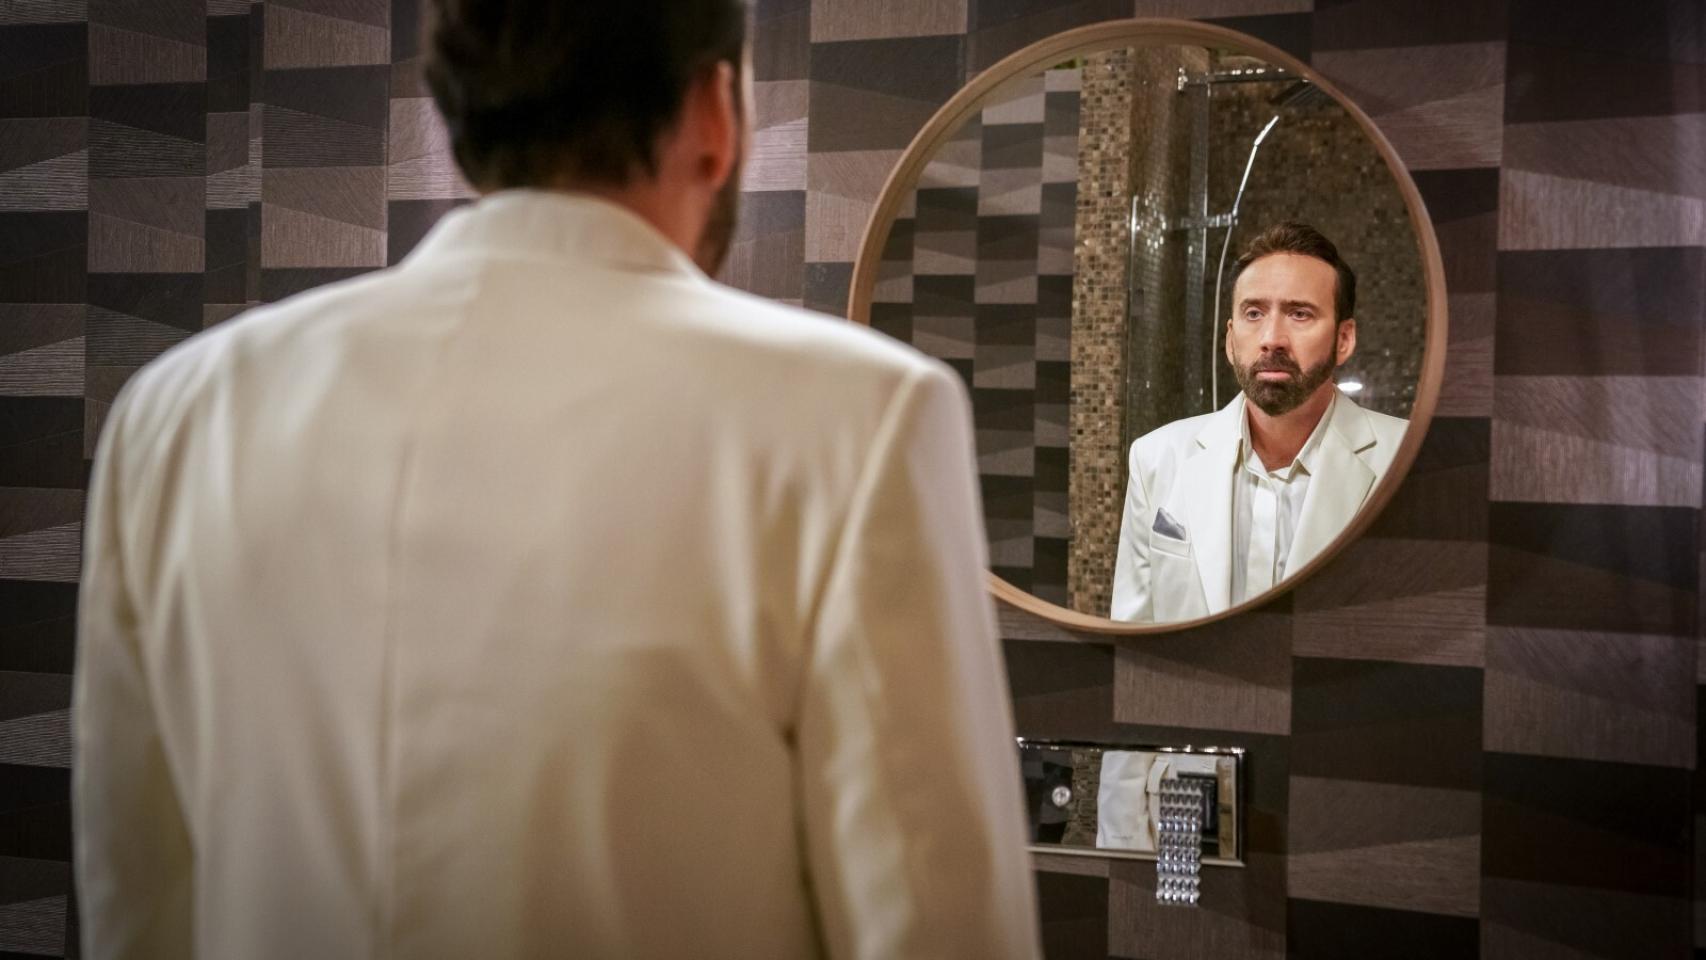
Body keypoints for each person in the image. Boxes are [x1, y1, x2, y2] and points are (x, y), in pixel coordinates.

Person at [73, 3, 1040, 957]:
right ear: (714, 112)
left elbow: (136, 901)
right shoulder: (856, 419)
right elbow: (936, 926)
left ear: (463, 117)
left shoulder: (176, 416)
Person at [1110, 221, 1406, 623]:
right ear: (1230, 340)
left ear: (1344, 339)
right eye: (1253, 313)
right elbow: (1134, 630)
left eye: (1300, 314)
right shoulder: (1156, 458)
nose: (1272, 338)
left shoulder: (1408, 460)